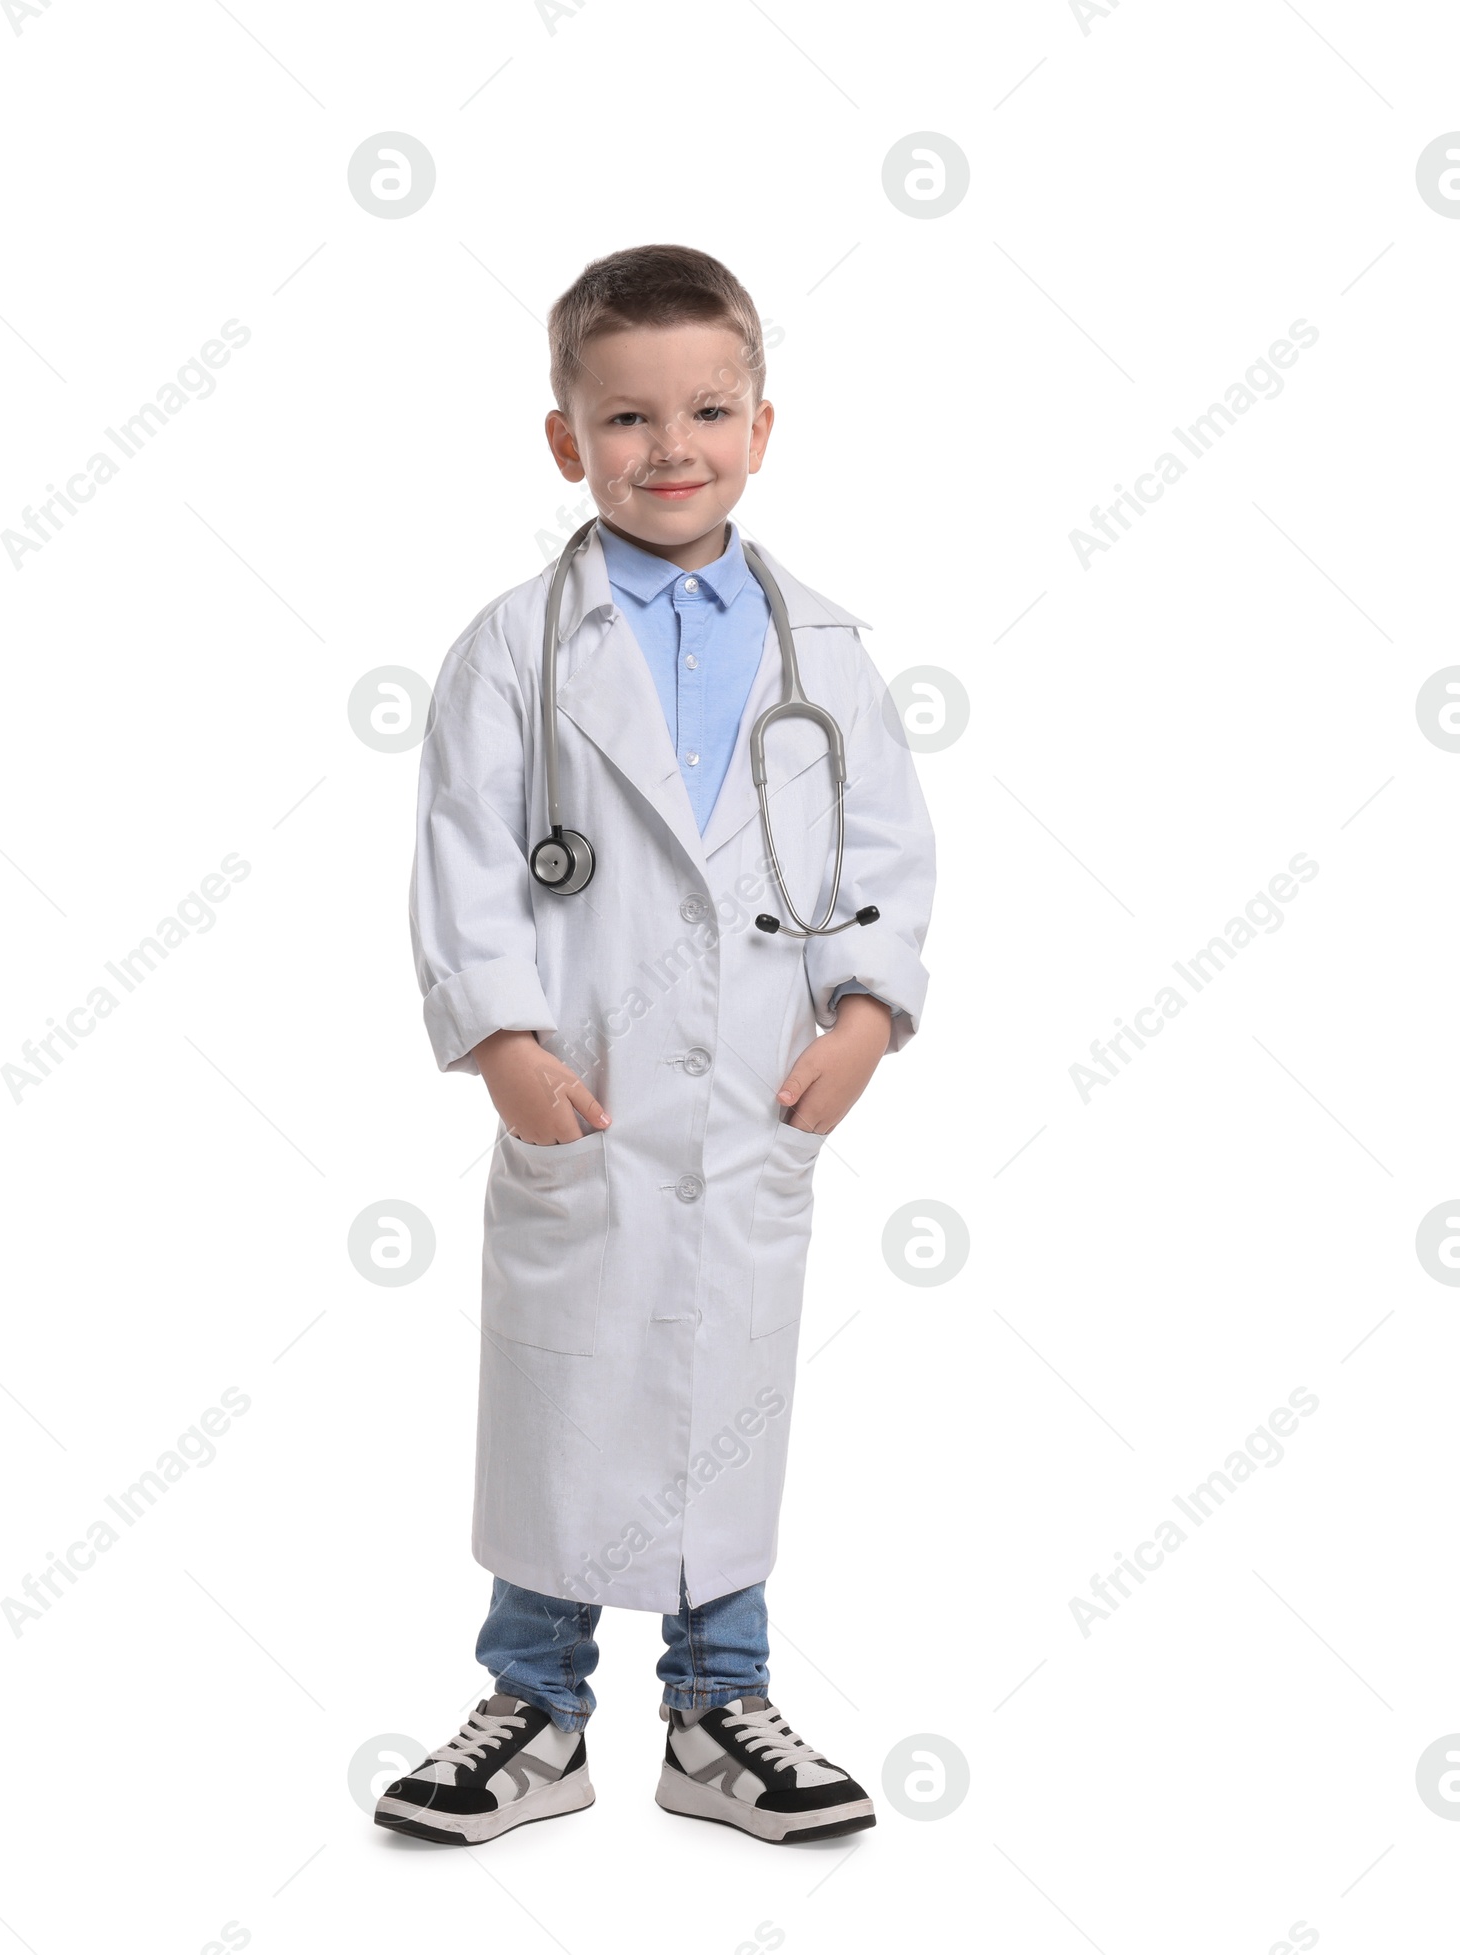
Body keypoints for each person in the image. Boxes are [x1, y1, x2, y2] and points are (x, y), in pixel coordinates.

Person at [383, 244, 936, 1847]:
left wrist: (868, 1014)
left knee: (730, 1393)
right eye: (626, 418)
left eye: (707, 410)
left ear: (765, 425)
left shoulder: (824, 647)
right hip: (587, 1095)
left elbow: (884, 853)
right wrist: (503, 1045)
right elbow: (464, 859)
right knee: (561, 1398)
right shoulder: (513, 647)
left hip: (764, 1091)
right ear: (567, 440)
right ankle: (534, 1708)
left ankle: (722, 1709)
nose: (669, 445)